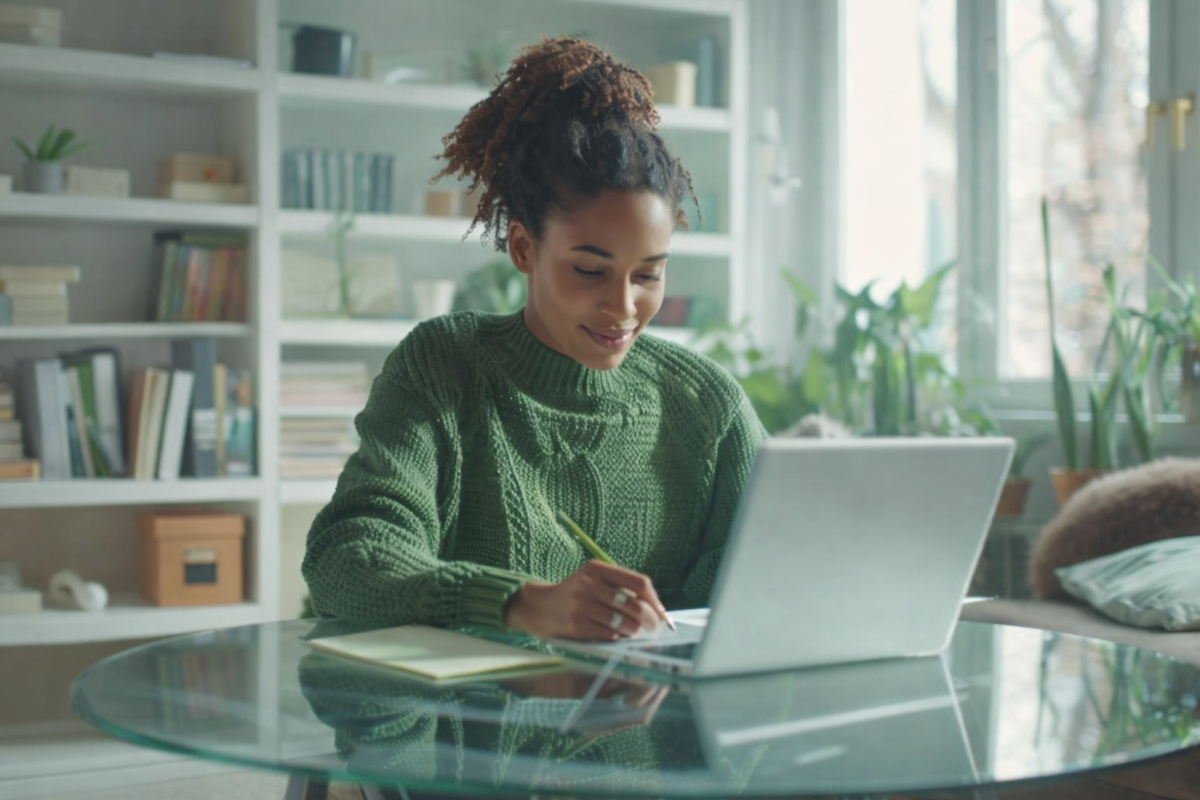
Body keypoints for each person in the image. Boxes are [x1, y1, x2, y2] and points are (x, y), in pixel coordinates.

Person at [302, 36, 766, 642]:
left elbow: (769, 585)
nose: (623, 307)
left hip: (658, 730)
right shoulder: (444, 366)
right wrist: (517, 602)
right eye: (590, 270)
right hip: (464, 731)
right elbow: (348, 559)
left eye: (648, 273)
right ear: (524, 248)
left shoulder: (707, 405)